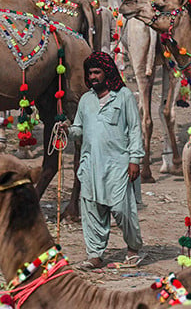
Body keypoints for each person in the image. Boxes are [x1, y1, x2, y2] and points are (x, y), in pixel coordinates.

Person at [61, 52, 145, 270]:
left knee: (122, 209)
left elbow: (135, 129)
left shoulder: (124, 96)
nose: (93, 77)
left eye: (97, 72)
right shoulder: (86, 100)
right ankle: (95, 255)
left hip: (118, 163)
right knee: (91, 209)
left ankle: (133, 249)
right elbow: (79, 130)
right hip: (90, 164)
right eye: (90, 73)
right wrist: (67, 130)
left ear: (107, 73)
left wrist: (135, 159)